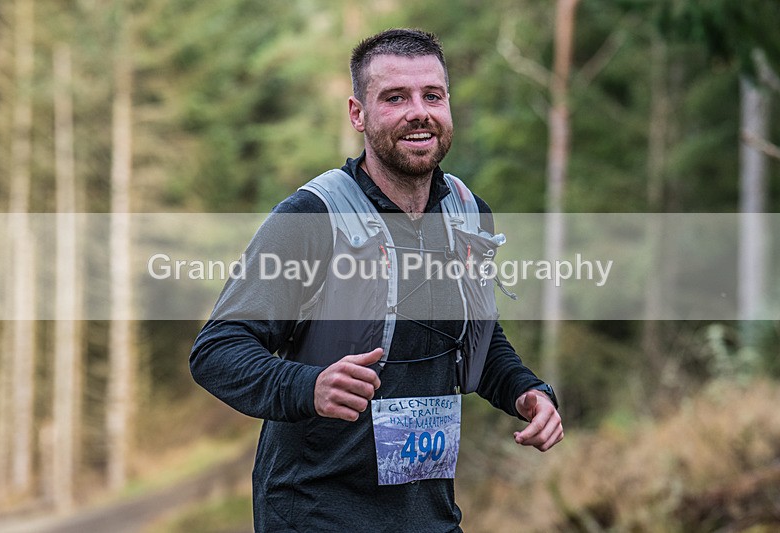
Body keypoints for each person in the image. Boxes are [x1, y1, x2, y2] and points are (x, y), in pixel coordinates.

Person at [190, 28, 563, 532]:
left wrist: (526, 391)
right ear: (357, 114)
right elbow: (217, 350)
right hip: (315, 514)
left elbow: (475, 338)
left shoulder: (468, 214)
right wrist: (309, 385)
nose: (419, 112)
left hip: (429, 516)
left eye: (433, 95)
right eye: (395, 97)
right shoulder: (311, 218)